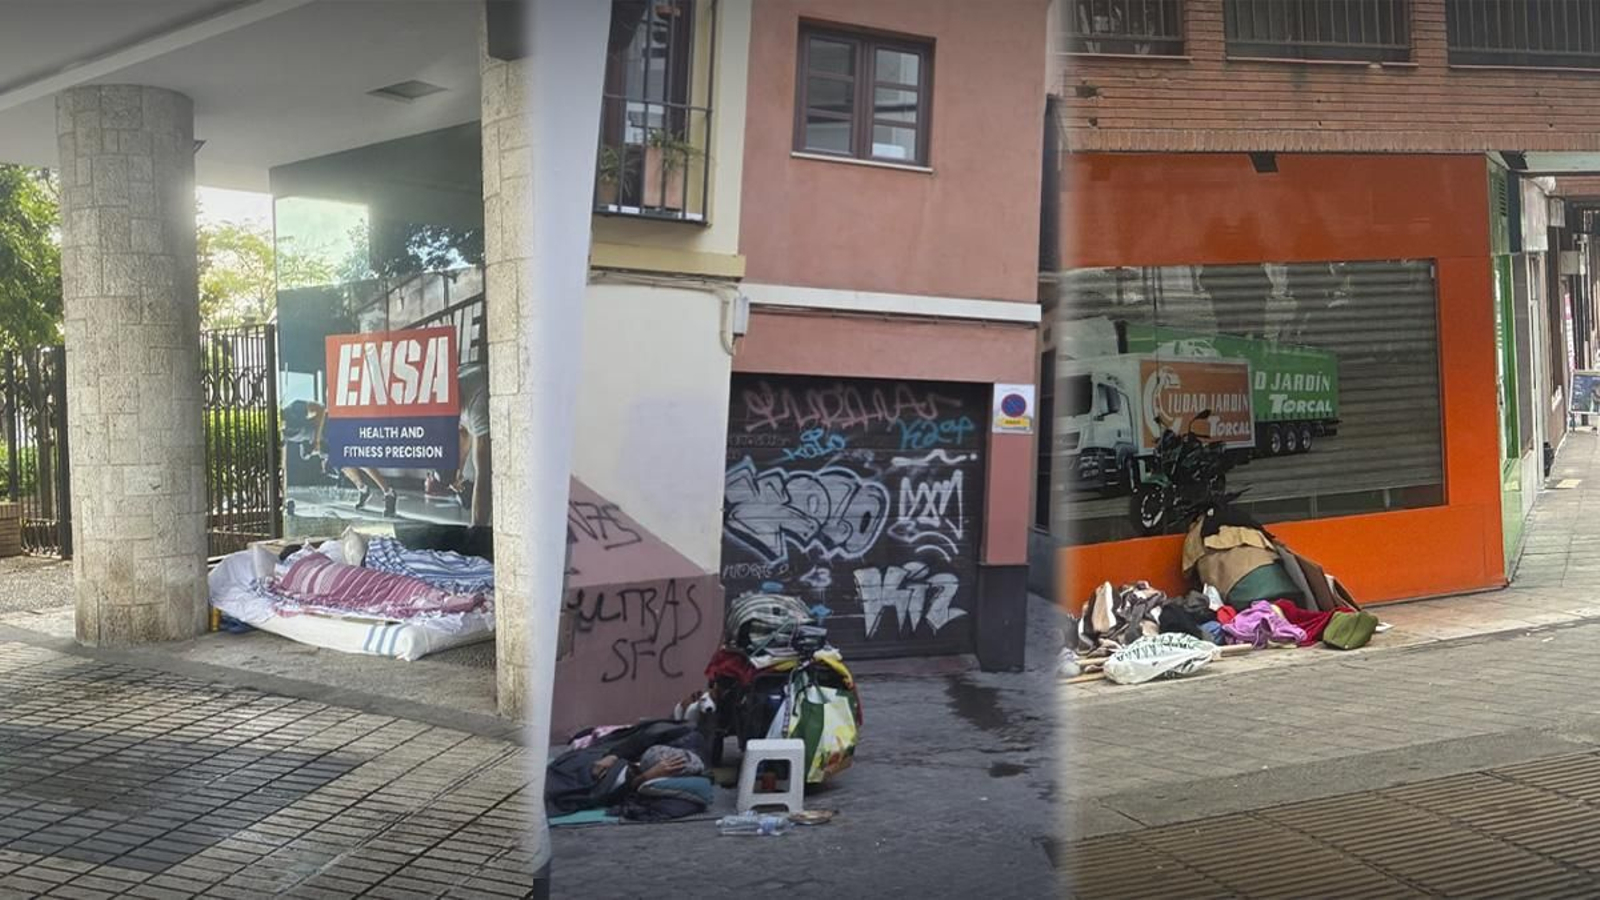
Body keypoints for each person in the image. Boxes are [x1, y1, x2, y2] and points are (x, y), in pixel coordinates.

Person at [282, 398, 398, 519]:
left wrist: (316, 441)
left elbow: (321, 409)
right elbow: (286, 457)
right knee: (343, 466)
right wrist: (310, 449)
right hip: (322, 440)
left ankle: (389, 492)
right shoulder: (282, 433)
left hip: (331, 427)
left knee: (358, 459)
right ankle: (363, 489)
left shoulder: (295, 408)